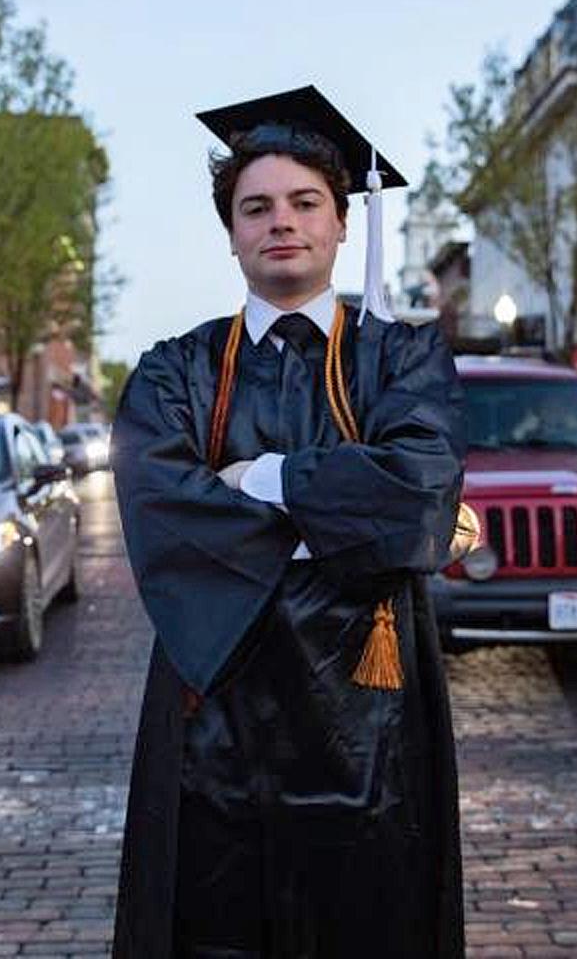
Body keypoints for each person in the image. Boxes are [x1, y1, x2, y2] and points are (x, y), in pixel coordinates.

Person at [111, 86, 467, 958]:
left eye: (306, 202)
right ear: (230, 230)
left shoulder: (403, 358)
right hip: (218, 702)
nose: (282, 223)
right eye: (256, 206)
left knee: (373, 915)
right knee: (212, 918)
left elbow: (419, 492)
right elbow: (162, 512)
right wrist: (345, 515)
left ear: (342, 223)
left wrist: (260, 478)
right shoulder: (175, 373)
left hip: (371, 709)